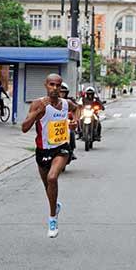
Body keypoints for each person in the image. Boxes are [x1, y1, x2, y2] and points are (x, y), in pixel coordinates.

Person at [21, 74, 78, 238]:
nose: (54, 88)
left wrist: (75, 121)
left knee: (52, 178)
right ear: (46, 85)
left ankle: (52, 218)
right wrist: (38, 111)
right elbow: (24, 128)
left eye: (58, 85)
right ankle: (55, 206)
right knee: (48, 187)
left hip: (62, 147)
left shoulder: (66, 104)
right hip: (42, 150)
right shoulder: (38, 103)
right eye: (51, 84)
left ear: (61, 88)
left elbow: (77, 109)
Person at [59, 82, 78, 162]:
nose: (61, 94)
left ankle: (72, 151)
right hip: (53, 124)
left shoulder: (70, 101)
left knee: (71, 133)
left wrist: (74, 120)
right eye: (60, 92)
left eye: (63, 92)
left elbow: (76, 109)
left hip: (66, 123)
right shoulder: (50, 101)